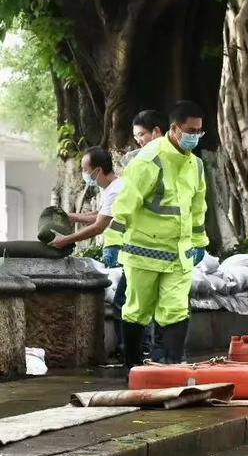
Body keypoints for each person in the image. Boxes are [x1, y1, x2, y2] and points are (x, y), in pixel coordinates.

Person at [112, 101, 209, 367]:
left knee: (176, 309)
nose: (195, 136)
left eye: (200, 131)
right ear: (175, 129)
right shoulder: (149, 159)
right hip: (143, 252)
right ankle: (131, 367)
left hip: (179, 254)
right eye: (191, 130)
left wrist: (199, 241)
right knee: (137, 310)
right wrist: (112, 240)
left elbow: (198, 207)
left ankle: (173, 365)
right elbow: (126, 202)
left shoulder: (196, 166)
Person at [51, 148, 127, 271]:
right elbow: (101, 214)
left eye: (85, 170)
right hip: (114, 246)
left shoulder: (116, 191)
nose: (83, 173)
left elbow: (99, 226)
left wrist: (64, 240)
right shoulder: (108, 188)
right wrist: (72, 216)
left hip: (120, 248)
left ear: (98, 170)